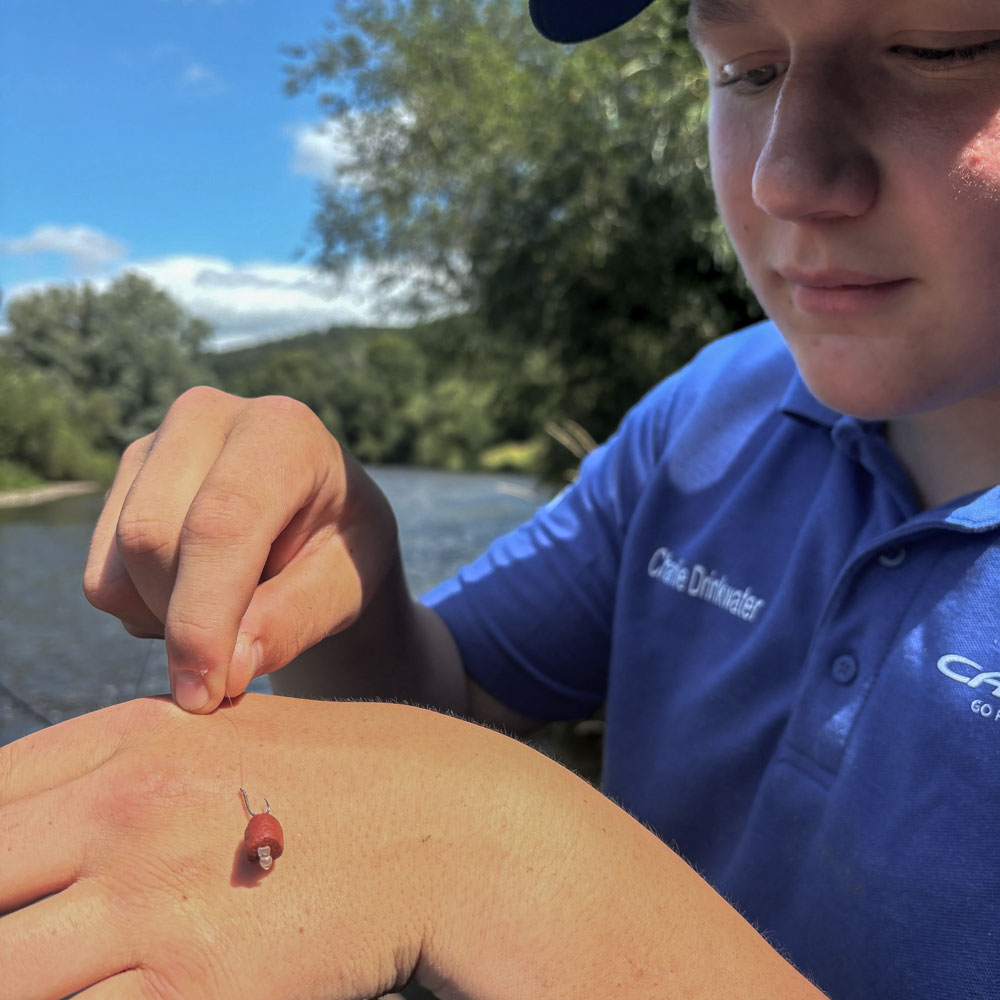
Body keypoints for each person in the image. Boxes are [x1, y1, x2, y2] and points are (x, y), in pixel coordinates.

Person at [3, 0, 1000, 995]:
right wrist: (351, 579)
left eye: (942, 49)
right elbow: (446, 700)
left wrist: (496, 856)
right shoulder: (706, 415)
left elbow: (463, 812)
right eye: (744, 69)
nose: (783, 177)